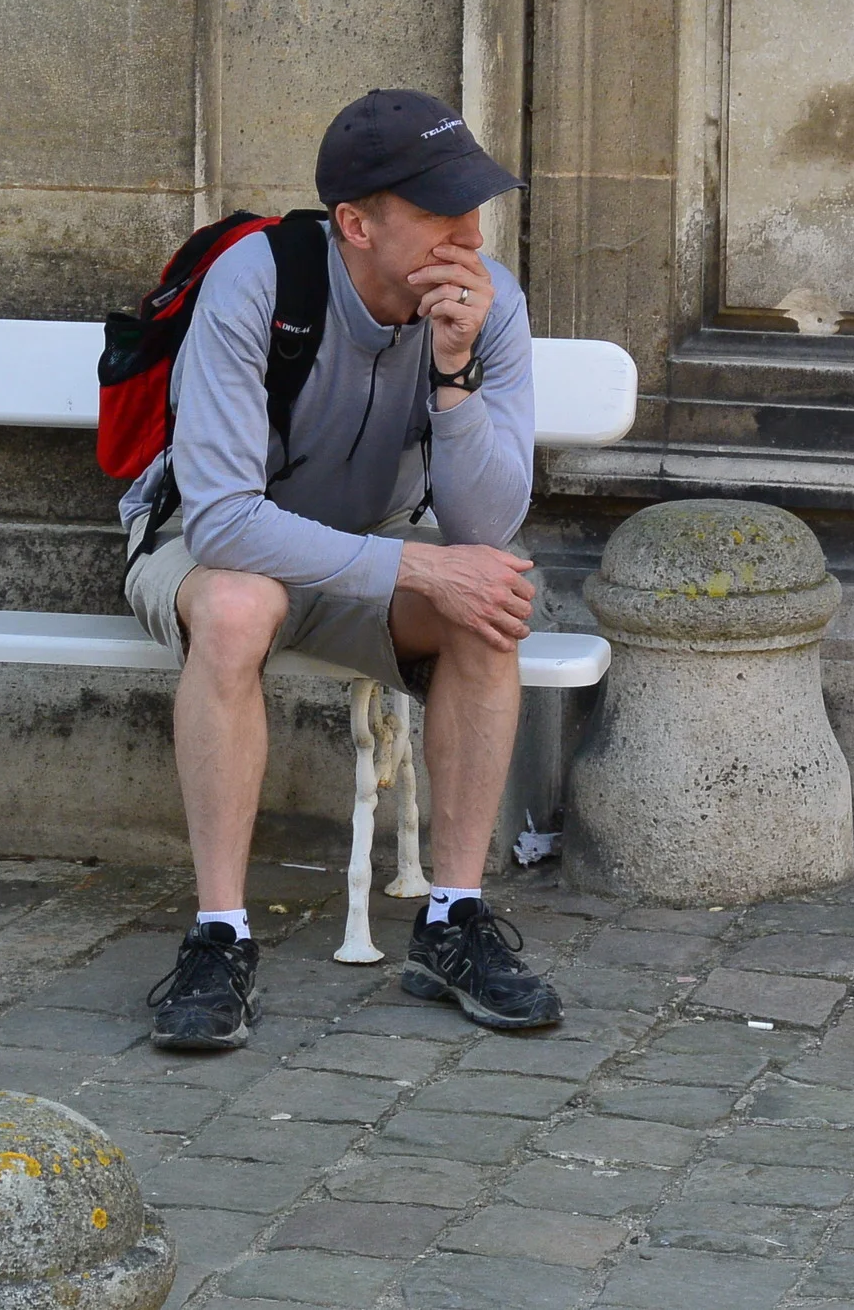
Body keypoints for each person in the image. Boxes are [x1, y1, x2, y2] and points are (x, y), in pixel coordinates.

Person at [123, 89, 560, 1050]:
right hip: (207, 548)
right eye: (441, 210)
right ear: (356, 225)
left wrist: (453, 373)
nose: (469, 232)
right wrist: (416, 565)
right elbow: (228, 520)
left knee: (488, 595)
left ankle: (453, 918)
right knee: (240, 609)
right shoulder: (258, 283)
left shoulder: (493, 304)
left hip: (372, 543)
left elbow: (490, 519)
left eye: (475, 205)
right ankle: (219, 935)